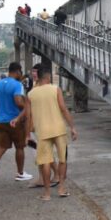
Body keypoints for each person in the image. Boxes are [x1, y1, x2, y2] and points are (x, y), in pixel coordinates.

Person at [27, 68, 77, 200]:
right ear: (47, 77)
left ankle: (47, 194)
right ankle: (61, 188)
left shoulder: (31, 94)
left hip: (42, 132)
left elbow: (29, 116)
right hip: (59, 129)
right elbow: (63, 108)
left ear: (38, 78)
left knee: (46, 162)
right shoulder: (55, 89)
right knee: (62, 160)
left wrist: (27, 134)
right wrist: (72, 127)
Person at [0, 62, 32, 184]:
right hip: (14, 121)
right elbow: (18, 101)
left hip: (1, 120)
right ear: (17, 71)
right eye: (20, 72)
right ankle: (20, 173)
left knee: (2, 147)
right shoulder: (17, 85)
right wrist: (26, 105)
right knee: (20, 147)